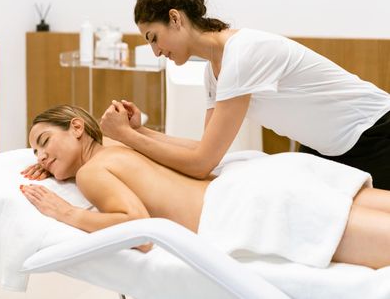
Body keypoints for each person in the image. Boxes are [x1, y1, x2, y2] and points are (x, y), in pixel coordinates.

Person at [98, 0, 390, 190]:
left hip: (375, 133)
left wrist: (126, 136)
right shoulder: (213, 71)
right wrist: (139, 131)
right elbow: (204, 148)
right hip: (326, 147)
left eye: (153, 38)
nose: (156, 51)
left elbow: (201, 163)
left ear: (175, 18)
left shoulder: (241, 55)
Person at [21, 104, 390, 269]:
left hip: (240, 208)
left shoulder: (91, 173)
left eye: (43, 142)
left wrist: (66, 211)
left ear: (75, 127)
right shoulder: (121, 144)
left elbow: (139, 227)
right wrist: (51, 164)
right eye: (35, 153)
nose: (40, 156)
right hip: (255, 181)